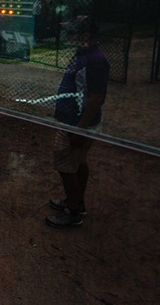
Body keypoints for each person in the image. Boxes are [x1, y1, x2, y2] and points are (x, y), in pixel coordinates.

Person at [46, 16, 109, 228]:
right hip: (73, 122)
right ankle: (76, 202)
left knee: (65, 165)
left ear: (85, 36)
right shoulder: (84, 54)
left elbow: (96, 97)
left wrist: (80, 130)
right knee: (78, 162)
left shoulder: (95, 59)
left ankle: (73, 212)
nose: (68, 37)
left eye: (72, 34)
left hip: (76, 124)